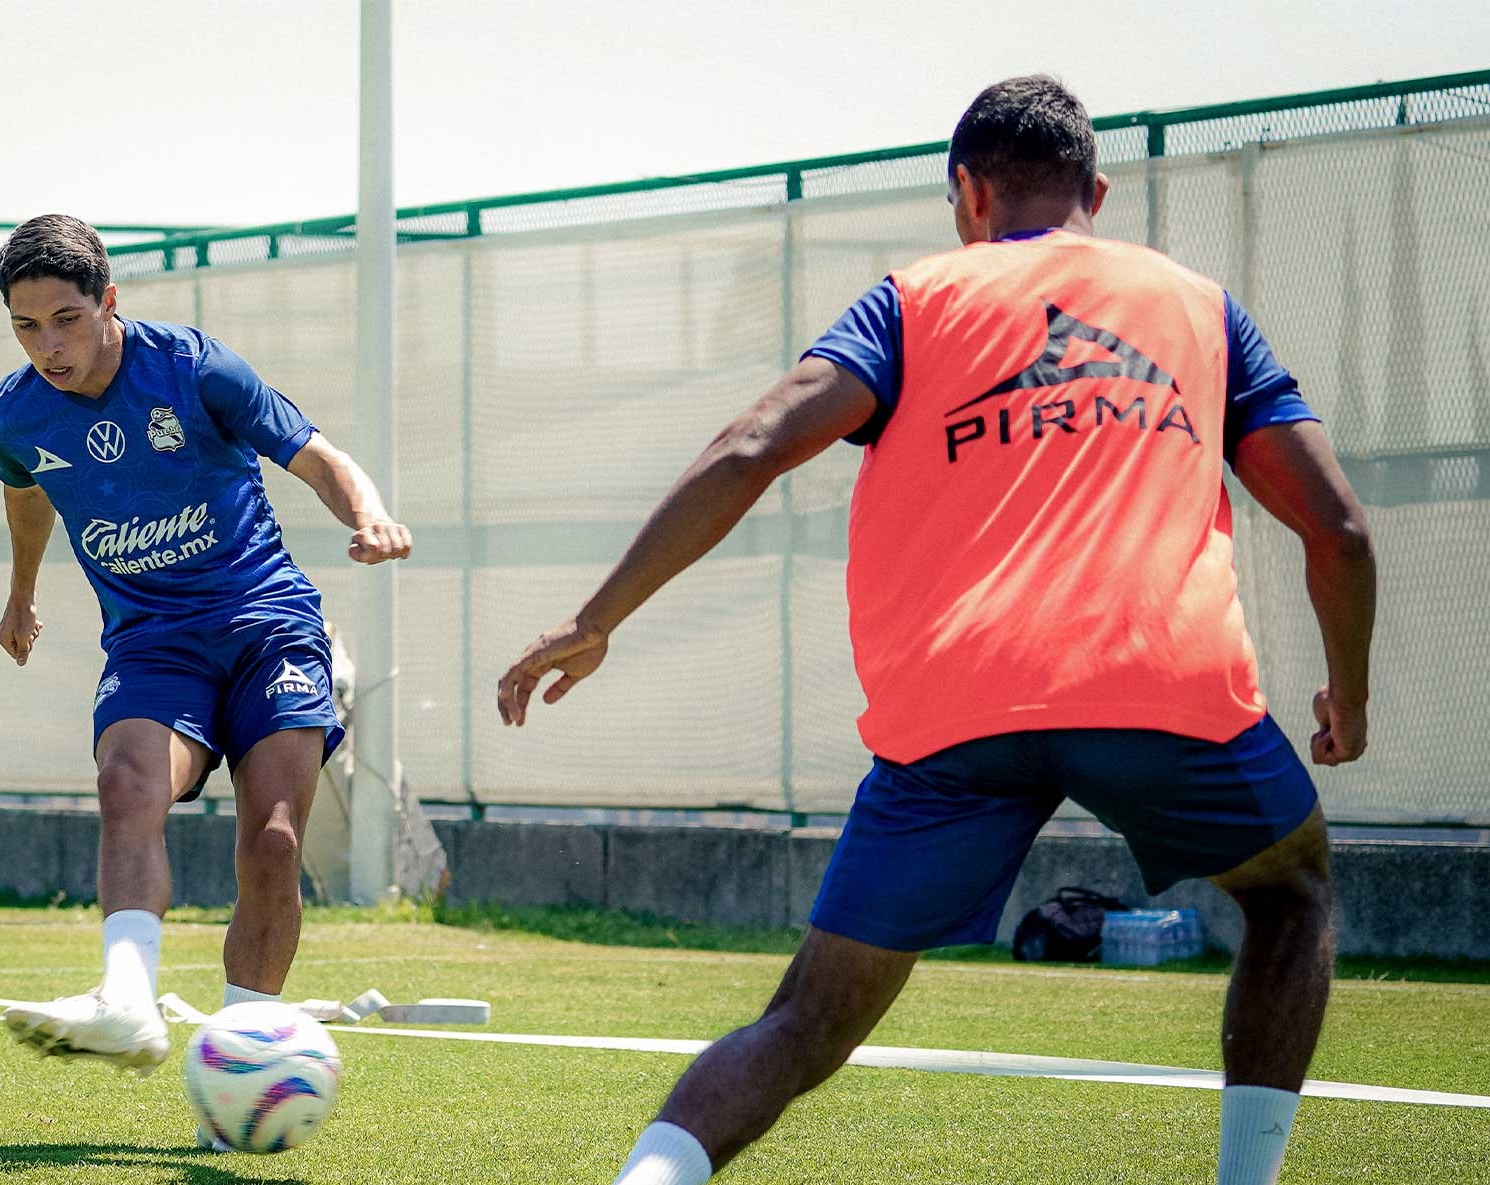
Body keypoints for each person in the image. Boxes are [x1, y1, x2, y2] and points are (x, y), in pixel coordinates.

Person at [498, 77, 1373, 1185]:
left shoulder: (912, 301)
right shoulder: (1199, 309)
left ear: (965, 191)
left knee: (808, 1020)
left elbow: (752, 445)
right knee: (1288, 894)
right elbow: (1335, 528)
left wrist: (594, 617)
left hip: (955, 712)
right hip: (1163, 688)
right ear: (1095, 191)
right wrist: (1346, 693)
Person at [0, 215, 411, 1078]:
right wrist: (22, 591)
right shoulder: (15, 413)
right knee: (125, 783)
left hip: (268, 626)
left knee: (275, 840)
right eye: (26, 327)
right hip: (152, 642)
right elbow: (28, 493)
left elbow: (316, 453)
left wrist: (367, 516)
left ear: (109, 300)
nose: (48, 347)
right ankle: (129, 1005)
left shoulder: (194, 367)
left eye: (65, 319)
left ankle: (246, 1052)